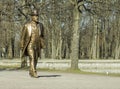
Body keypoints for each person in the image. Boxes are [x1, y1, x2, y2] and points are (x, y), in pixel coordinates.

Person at [20, 9, 44, 78]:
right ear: (32, 17)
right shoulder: (27, 26)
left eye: (37, 16)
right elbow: (22, 37)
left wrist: (42, 44)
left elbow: (42, 36)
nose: (37, 17)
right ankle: (34, 71)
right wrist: (22, 45)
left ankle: (31, 71)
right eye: (35, 16)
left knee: (36, 59)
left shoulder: (41, 26)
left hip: (37, 45)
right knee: (32, 57)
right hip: (30, 45)